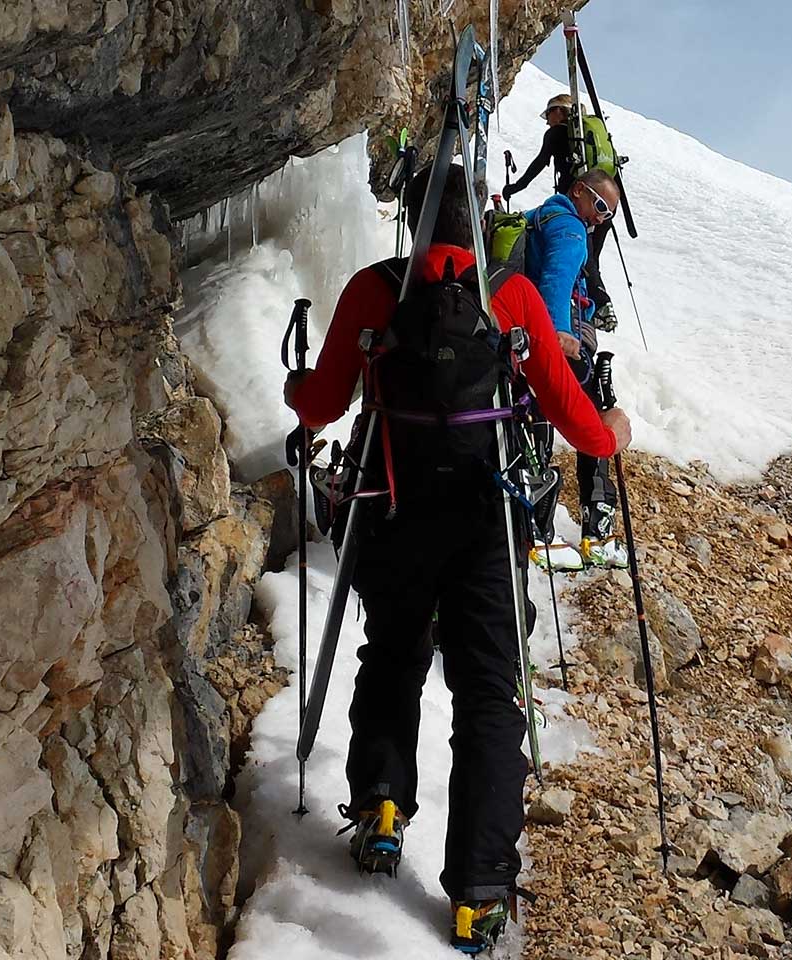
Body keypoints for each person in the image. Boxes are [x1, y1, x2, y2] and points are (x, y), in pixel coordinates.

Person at [284, 163, 631, 953]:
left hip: (394, 512)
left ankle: (378, 804)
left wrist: (297, 388)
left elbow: (325, 402)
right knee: (487, 693)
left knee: (394, 653)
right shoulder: (508, 296)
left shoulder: (375, 290)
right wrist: (614, 432)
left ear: (411, 219)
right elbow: (568, 411)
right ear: (481, 221)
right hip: (484, 523)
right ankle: (477, 890)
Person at [519, 168, 629, 569]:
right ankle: (596, 532)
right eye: (600, 205)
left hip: (527, 338)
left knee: (532, 419)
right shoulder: (569, 226)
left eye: (610, 214)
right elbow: (558, 278)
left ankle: (535, 525)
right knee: (594, 419)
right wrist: (560, 334)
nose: (601, 217)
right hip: (561, 343)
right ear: (578, 191)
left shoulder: (539, 217)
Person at [505, 94, 619, 333]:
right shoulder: (589, 142)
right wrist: (604, 212)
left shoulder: (557, 134)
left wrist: (515, 187)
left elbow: (540, 163)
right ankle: (596, 307)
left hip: (580, 206)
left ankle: (579, 315)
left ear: (559, 111)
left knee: (575, 260)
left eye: (549, 114)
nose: (547, 121)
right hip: (603, 209)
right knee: (587, 260)